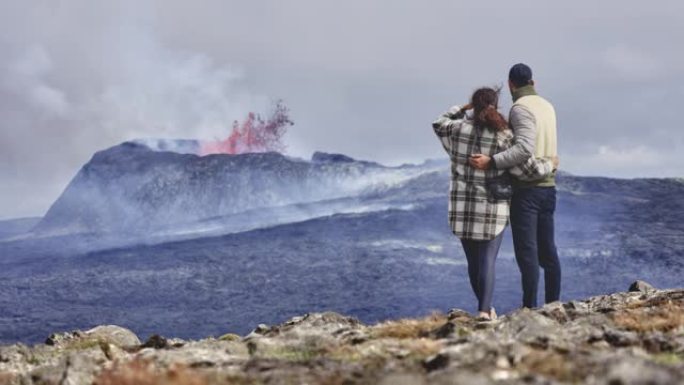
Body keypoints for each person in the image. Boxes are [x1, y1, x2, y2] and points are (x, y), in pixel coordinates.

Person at [432, 87, 558, 320]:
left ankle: (487, 310)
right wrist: (550, 164)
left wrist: (460, 108)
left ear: (474, 105)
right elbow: (527, 168)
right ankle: (483, 310)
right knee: (487, 260)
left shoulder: (457, 131)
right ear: (495, 105)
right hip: (492, 208)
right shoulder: (503, 136)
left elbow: (439, 123)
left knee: (473, 262)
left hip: (463, 207)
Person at [470, 63, 561, 308]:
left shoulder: (520, 109)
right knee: (548, 251)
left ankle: (529, 308)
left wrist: (492, 162)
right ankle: (555, 304)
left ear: (511, 84)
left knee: (527, 254)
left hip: (527, 188)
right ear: (533, 82)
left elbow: (523, 150)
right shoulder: (548, 106)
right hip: (549, 186)